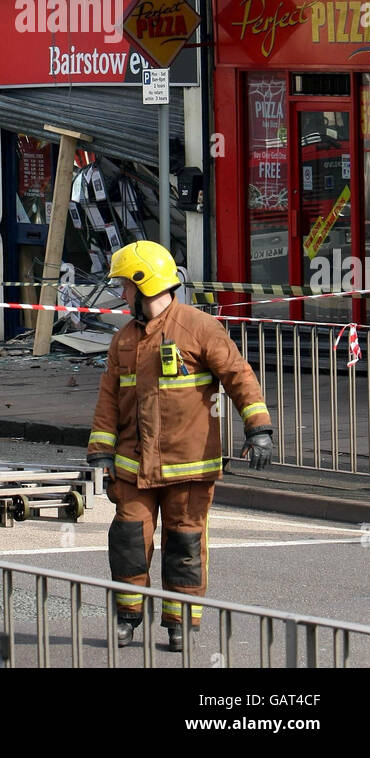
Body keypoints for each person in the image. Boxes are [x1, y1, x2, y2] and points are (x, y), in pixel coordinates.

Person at [87, 241, 272, 653]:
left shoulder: (199, 327)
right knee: (129, 541)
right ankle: (128, 617)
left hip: (188, 466)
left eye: (125, 286)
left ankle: (179, 624)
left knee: (185, 545)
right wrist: (100, 449)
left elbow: (238, 376)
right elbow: (109, 399)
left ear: (143, 283)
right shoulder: (124, 341)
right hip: (134, 466)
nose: (121, 294)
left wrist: (259, 427)